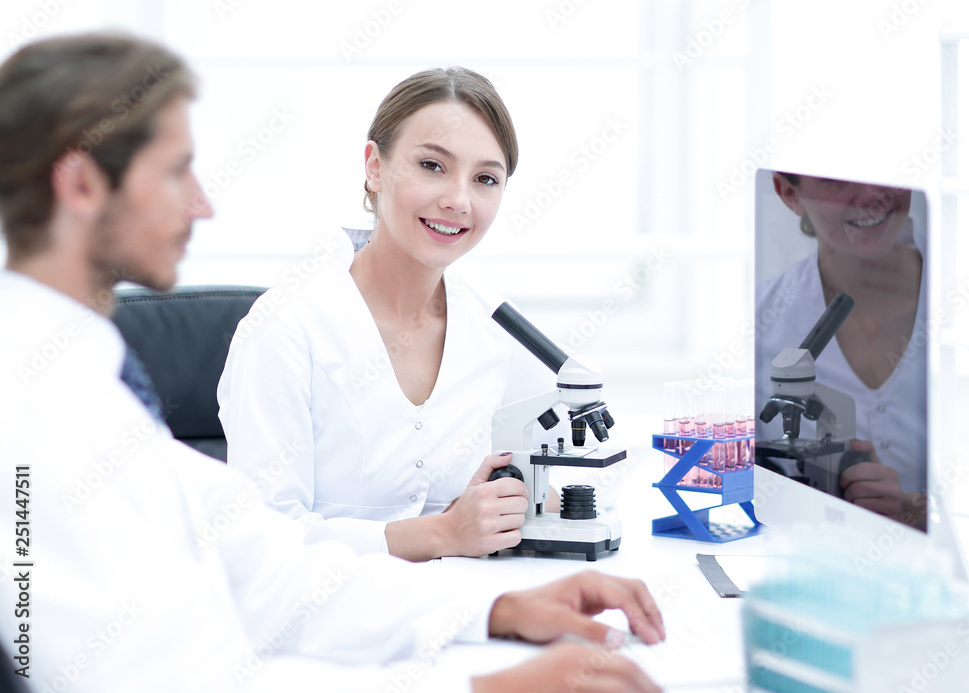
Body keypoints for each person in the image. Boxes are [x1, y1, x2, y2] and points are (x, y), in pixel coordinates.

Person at [0, 33, 666, 692]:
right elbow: (151, 678)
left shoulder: (92, 381)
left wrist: (499, 611)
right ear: (83, 183)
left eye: (485, 177)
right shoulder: (31, 408)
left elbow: (269, 568)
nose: (203, 203)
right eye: (176, 170)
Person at [217, 67, 562, 561]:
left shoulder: (495, 328)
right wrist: (442, 534)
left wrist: (532, 501)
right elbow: (262, 541)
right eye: (432, 166)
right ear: (375, 168)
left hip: (475, 611)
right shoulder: (285, 329)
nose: (458, 201)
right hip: (322, 625)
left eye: (486, 178)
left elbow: (571, 468)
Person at [755, 172, 927, 530]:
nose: (871, 196)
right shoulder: (759, 316)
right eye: (837, 180)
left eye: (885, 169)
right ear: (789, 192)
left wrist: (911, 510)